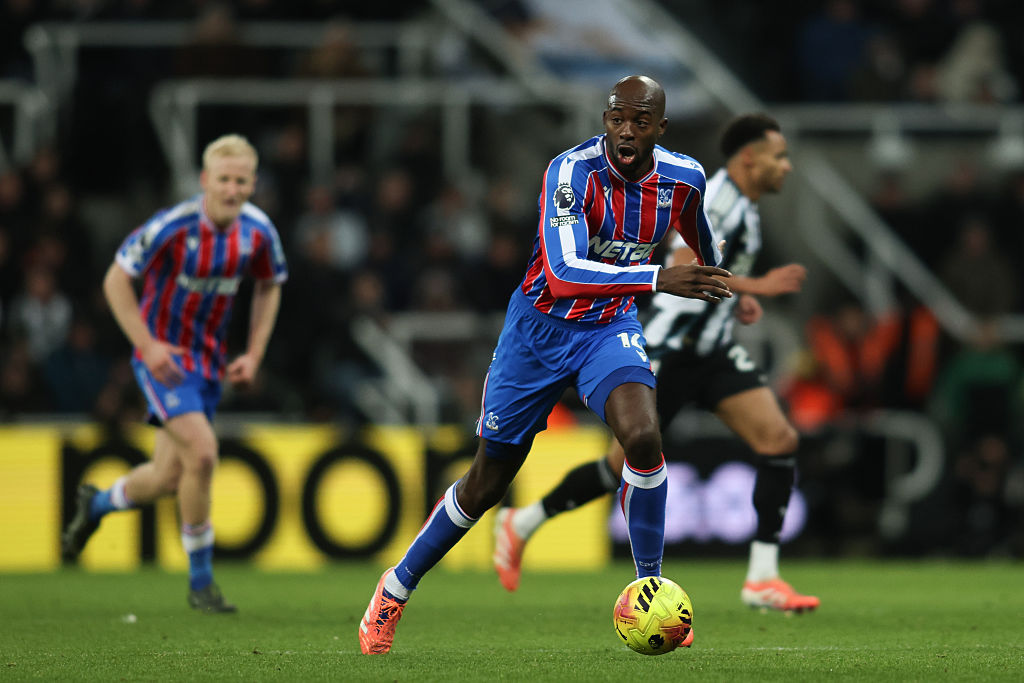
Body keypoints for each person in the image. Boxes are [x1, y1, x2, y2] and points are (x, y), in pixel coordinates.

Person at [358, 75, 731, 655]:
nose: (625, 132)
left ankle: (650, 587)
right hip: (536, 331)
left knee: (643, 435)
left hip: (608, 327)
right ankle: (395, 588)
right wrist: (661, 277)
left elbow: (698, 231)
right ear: (604, 121)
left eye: (639, 121)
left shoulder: (684, 178)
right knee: (487, 483)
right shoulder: (571, 173)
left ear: (660, 127)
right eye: (616, 120)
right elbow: (563, 272)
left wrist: (716, 276)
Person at [493, 113, 822, 613]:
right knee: (619, 467)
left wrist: (736, 295)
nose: (787, 167)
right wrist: (740, 285)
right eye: (779, 156)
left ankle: (761, 579)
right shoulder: (714, 197)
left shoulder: (747, 207)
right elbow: (677, 254)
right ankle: (523, 522)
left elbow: (709, 269)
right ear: (749, 159)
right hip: (671, 348)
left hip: (710, 350)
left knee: (779, 439)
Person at [61, 134, 288, 613]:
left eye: (241, 180)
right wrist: (146, 344)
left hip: (208, 363)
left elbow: (269, 285)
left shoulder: (259, 231)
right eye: (223, 179)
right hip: (163, 360)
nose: (231, 189)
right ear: (205, 180)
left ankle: (96, 504)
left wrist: (254, 352)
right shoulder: (173, 226)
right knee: (203, 454)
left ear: (252, 184)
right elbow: (115, 278)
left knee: (168, 477)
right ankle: (201, 584)